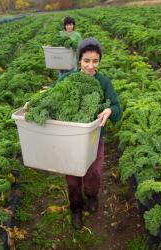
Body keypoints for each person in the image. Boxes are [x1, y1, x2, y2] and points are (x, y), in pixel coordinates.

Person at [54, 38, 123, 229]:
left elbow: (117, 108)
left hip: (95, 138)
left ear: (99, 61)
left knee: (94, 174)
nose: (90, 66)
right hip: (70, 140)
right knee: (73, 179)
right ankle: (76, 208)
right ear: (79, 61)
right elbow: (50, 97)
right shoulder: (67, 79)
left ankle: (92, 196)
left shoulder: (103, 82)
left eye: (95, 61)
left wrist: (110, 111)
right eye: (86, 61)